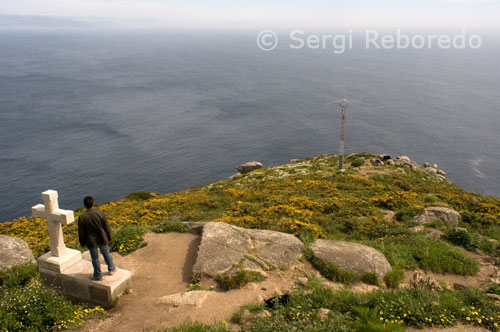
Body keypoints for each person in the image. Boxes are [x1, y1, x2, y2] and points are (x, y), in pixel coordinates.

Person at [78, 196, 116, 281]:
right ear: (93, 203)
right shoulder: (100, 213)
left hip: (91, 240)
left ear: (85, 205)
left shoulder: (82, 217)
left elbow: (81, 232)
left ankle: (98, 275)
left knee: (95, 257)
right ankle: (111, 269)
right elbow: (106, 227)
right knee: (106, 253)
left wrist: (82, 242)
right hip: (102, 237)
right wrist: (109, 237)